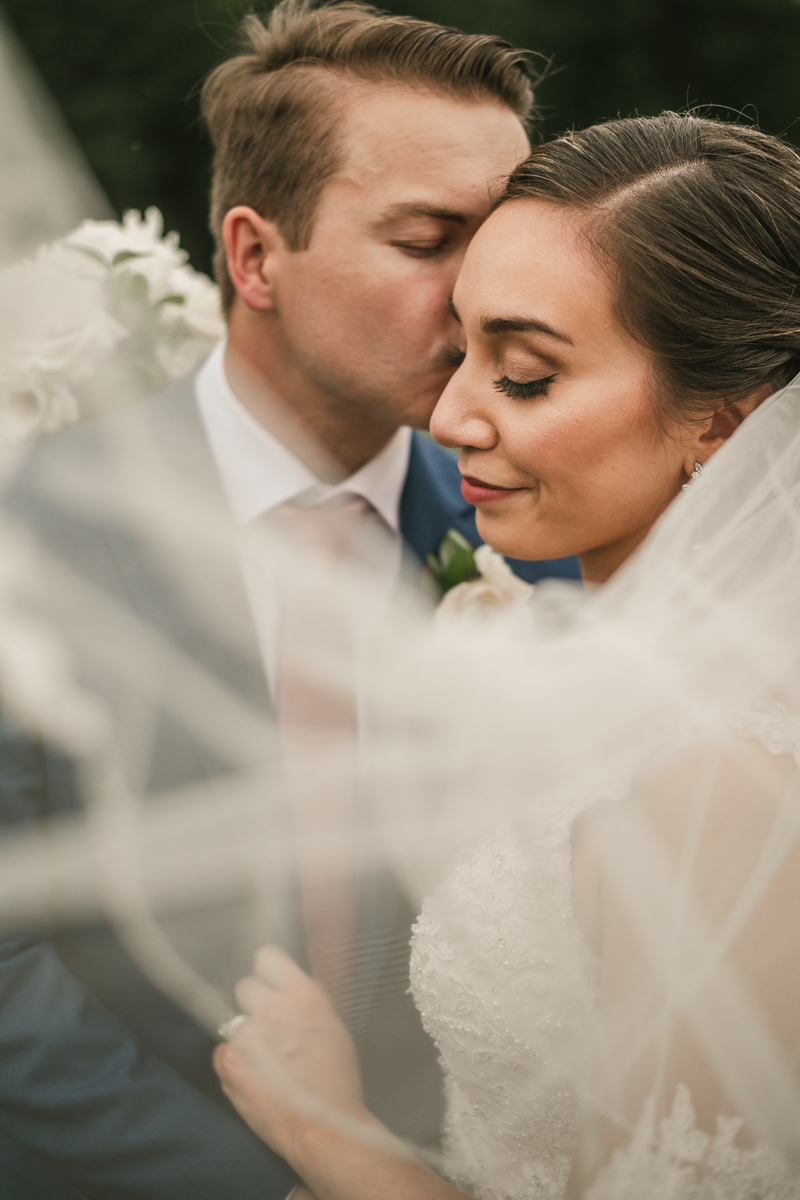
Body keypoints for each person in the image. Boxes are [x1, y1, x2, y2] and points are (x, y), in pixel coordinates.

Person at [0, 4, 579, 1198]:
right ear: (255, 257)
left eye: (504, 240)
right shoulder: (28, 531)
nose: (485, 297)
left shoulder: (558, 537)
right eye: (430, 240)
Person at [212, 112, 800, 1199]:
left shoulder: (717, 787)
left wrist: (328, 1135)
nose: (445, 416)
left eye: (522, 377)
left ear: (720, 420)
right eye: (460, 347)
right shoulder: (604, 672)